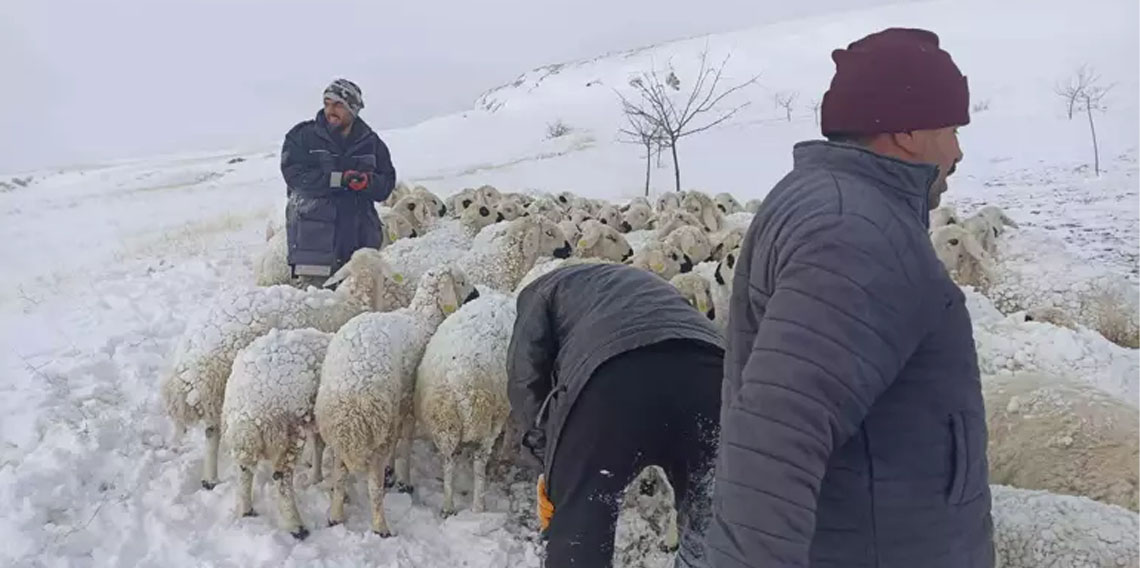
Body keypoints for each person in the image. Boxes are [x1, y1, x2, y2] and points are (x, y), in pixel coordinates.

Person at [707, 28, 994, 568]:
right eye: (951, 127)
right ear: (906, 130)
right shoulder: (854, 231)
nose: (957, 150)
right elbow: (775, 443)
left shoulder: (832, 204)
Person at [507, 263, 725, 568]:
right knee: (713, 526)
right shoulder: (651, 285)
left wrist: (550, 463)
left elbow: (525, 380)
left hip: (612, 384)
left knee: (580, 535)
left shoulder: (539, 292)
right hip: (711, 377)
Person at [281, 78, 396, 287]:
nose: (330, 110)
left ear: (353, 108)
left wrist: (367, 182)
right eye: (327, 103)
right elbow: (296, 177)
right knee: (317, 309)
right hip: (314, 245)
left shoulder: (371, 143)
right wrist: (339, 180)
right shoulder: (302, 137)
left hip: (360, 246)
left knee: (359, 311)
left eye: (338, 105)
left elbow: (387, 183)